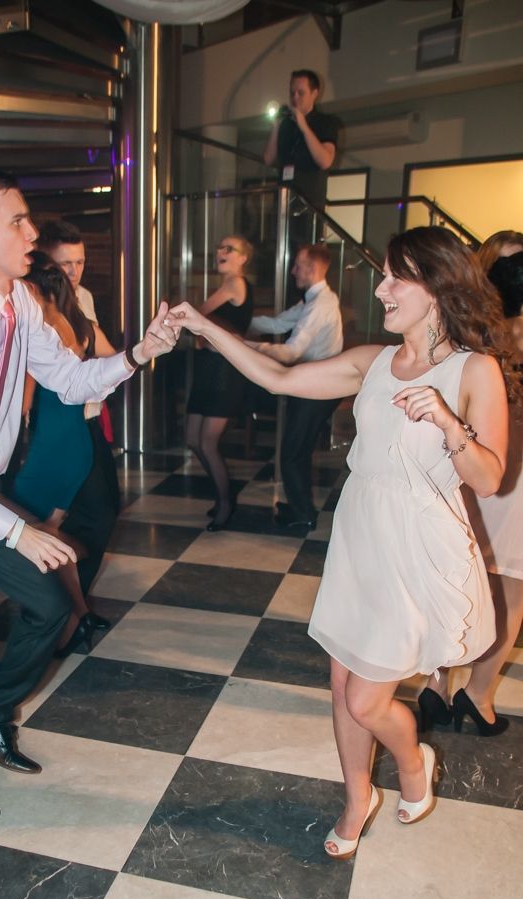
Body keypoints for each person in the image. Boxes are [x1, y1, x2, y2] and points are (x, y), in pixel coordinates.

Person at [169, 226, 509, 859]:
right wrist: (204, 326)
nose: (381, 289)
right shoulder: (373, 361)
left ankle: (412, 757)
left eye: (396, 277)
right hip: (360, 535)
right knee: (341, 683)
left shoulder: (473, 370)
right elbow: (277, 377)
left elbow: (489, 479)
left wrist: (447, 421)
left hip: (418, 545)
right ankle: (357, 798)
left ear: (437, 286)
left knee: (366, 699)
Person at [0, 168, 178, 831]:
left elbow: (70, 381)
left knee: (51, 604)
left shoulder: (18, 301)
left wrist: (139, 353)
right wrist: (17, 530)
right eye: (18, 221)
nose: (32, 232)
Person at [420, 249, 523, 735]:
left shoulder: (472, 342)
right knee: (512, 595)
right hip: (515, 484)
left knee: (452, 579)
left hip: (470, 469)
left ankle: (436, 684)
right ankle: (478, 696)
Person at [11, 251, 108, 654]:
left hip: (52, 446)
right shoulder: (78, 323)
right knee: (44, 531)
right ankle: (78, 615)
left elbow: (23, 403)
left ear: (33, 290)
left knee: (30, 530)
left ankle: (68, 616)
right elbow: (107, 362)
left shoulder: (42, 331)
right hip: (76, 441)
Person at [248, 243, 343, 533]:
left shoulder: (320, 304)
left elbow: (291, 352)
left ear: (312, 269)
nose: (292, 271)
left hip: (318, 387)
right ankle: (300, 507)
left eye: (298, 265)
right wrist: (236, 322)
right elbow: (278, 323)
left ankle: (304, 515)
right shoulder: (315, 299)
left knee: (292, 453)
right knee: (295, 451)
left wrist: (244, 345)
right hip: (315, 384)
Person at [185, 236, 254, 531]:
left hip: (225, 370)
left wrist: (201, 331)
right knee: (193, 439)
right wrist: (204, 335)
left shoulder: (234, 283)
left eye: (229, 249)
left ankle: (226, 503)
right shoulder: (228, 285)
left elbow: (196, 315)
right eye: (219, 248)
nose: (221, 252)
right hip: (209, 367)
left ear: (243, 258)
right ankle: (221, 491)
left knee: (207, 441)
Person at [263, 68, 338, 209]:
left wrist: (304, 127)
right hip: (283, 202)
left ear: (314, 94)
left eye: (301, 93)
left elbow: (326, 161)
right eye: (292, 93)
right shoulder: (286, 124)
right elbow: (268, 159)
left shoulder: (326, 122)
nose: (295, 98)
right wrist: (276, 126)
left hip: (309, 204)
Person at [37, 220, 98, 324]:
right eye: (65, 263)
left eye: (80, 262)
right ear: (45, 264)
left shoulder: (85, 295)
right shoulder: (33, 303)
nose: (74, 272)